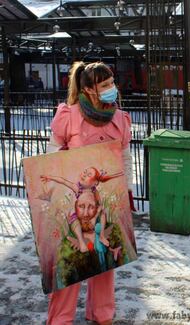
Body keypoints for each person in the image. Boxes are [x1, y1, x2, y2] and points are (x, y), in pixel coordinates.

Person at [46, 61, 134, 325]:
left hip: (107, 201)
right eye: (104, 85)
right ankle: (60, 319)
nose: (112, 89)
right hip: (73, 203)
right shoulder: (68, 115)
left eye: (112, 83)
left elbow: (126, 158)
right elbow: (53, 153)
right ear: (88, 89)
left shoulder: (120, 118)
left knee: (104, 259)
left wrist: (125, 190)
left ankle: (102, 314)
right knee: (70, 263)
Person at [40, 167, 124, 252]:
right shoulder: (77, 189)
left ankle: (102, 236)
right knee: (73, 219)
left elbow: (99, 204)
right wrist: (50, 177)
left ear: (95, 183)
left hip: (91, 220)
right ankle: (81, 242)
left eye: (88, 175)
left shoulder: (94, 192)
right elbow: (63, 181)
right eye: (85, 172)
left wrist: (96, 215)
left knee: (103, 213)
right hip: (80, 221)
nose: (84, 175)